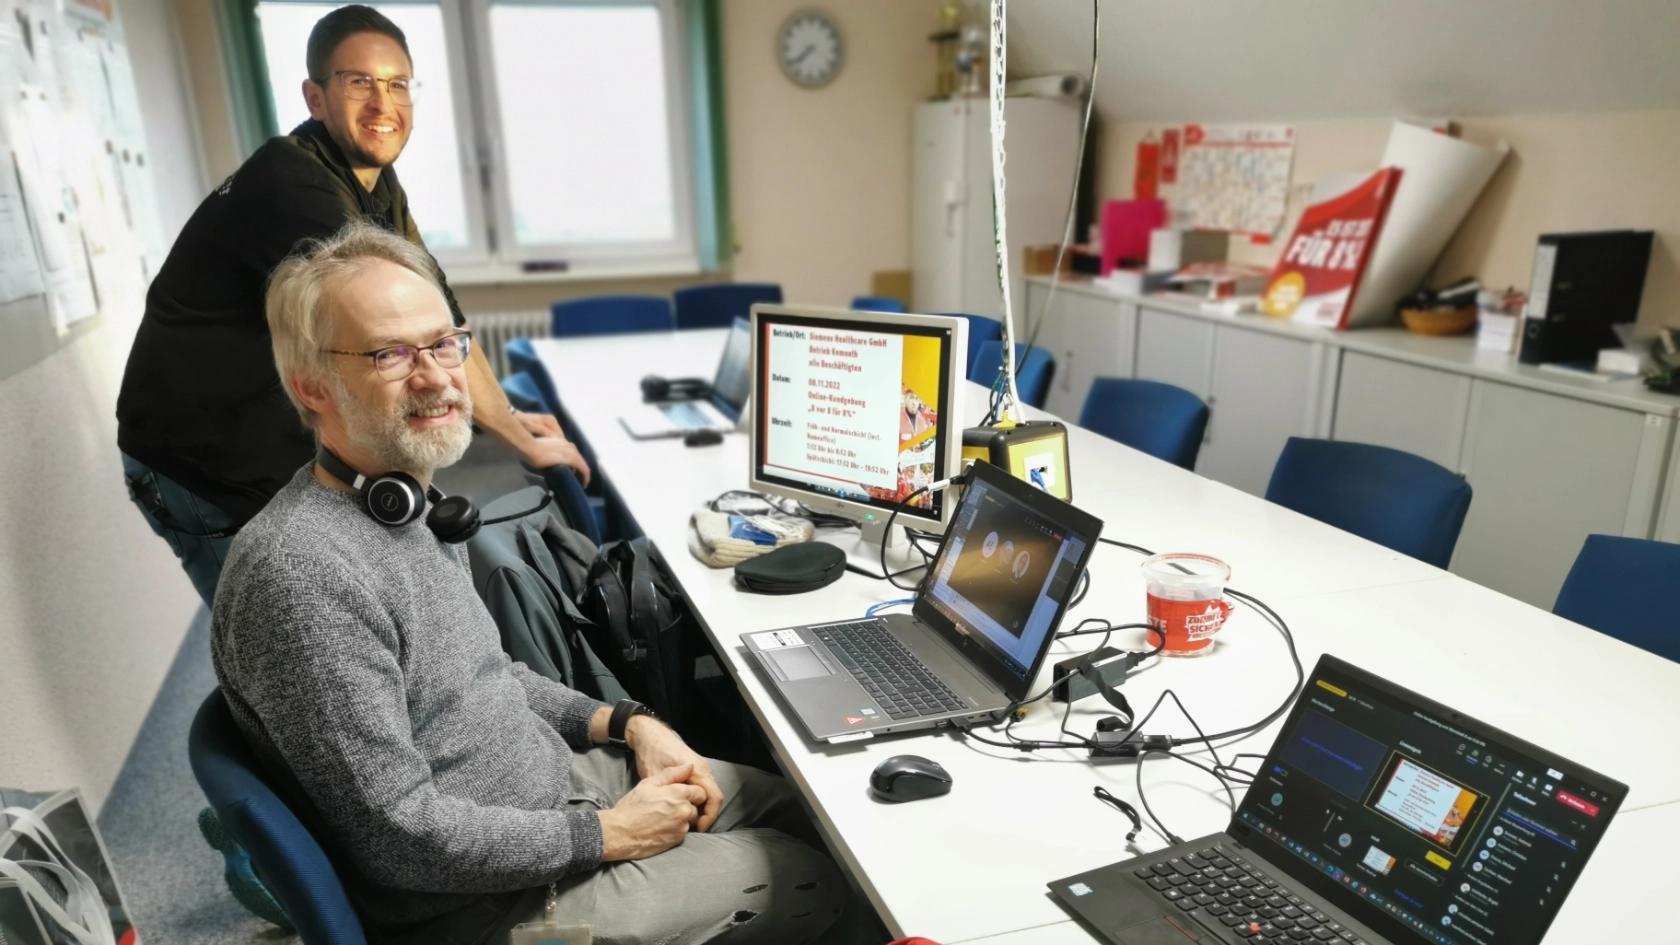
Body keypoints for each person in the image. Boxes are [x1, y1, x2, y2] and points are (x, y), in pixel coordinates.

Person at [211, 220, 846, 945]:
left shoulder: (403, 506)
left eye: (444, 342)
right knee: (812, 875)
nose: (435, 376)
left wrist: (631, 721)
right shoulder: (302, 575)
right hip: (485, 903)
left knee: (810, 809)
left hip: (552, 793)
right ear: (311, 385)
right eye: (389, 353)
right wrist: (606, 835)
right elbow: (400, 835)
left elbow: (493, 673)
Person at [116, 5, 587, 608]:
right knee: (282, 636)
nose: (383, 104)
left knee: (345, 607)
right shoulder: (295, 189)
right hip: (198, 457)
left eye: (397, 85)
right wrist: (518, 443)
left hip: (265, 428)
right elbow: (413, 329)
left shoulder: (371, 178)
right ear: (315, 97)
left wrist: (510, 419)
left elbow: (441, 316)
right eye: (359, 82)